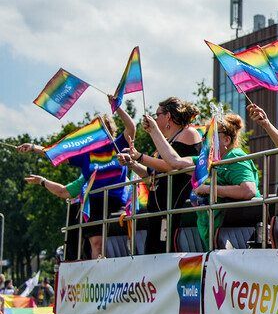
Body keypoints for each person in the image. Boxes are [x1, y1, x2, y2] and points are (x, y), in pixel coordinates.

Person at [20, 107, 136, 259]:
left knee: (126, 236)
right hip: (95, 202)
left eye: (104, 129)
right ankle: (98, 275)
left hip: (118, 200)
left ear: (110, 131)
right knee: (96, 243)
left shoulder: (119, 145)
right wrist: (34, 148)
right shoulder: (85, 155)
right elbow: (58, 154)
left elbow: (132, 127)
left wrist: (117, 106)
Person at [141, 112, 260, 248]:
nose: (204, 140)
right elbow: (175, 161)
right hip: (215, 233)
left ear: (226, 140)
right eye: (205, 135)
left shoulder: (235, 156)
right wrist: (154, 130)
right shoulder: (206, 161)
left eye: (210, 135)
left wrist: (209, 189)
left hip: (238, 234)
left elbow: (248, 190)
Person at [118, 97, 201, 253]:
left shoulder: (189, 133)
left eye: (157, 115)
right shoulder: (168, 141)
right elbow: (151, 175)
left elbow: (172, 165)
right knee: (152, 256)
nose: (155, 118)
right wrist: (132, 163)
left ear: (168, 116)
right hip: (158, 211)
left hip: (176, 210)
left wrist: (140, 156)